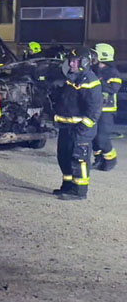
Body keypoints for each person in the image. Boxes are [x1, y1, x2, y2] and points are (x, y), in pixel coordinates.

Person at [53, 47, 102, 200]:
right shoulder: (72, 78)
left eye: (75, 61)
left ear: (84, 62)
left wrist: (83, 128)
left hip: (80, 130)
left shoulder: (90, 82)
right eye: (70, 61)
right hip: (66, 127)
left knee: (79, 160)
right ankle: (67, 185)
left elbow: (94, 110)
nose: (71, 64)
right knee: (64, 157)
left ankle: (79, 191)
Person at [92, 43, 121, 171]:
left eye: (95, 54)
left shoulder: (112, 72)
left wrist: (97, 83)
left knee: (102, 138)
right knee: (92, 137)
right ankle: (98, 159)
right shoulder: (93, 70)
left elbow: (113, 88)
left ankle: (110, 159)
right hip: (93, 109)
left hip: (106, 111)